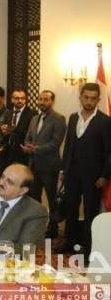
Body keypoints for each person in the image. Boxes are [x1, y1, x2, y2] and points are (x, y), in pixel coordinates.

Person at [57, 83, 110, 255]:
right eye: (86, 97)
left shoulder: (104, 121)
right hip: (72, 173)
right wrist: (63, 170)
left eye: (93, 98)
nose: (89, 101)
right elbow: (68, 146)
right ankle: (70, 242)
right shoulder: (73, 117)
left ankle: (88, 249)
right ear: (80, 97)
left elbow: (109, 152)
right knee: (71, 209)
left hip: (93, 177)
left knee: (90, 212)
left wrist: (104, 176)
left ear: (98, 100)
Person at [21, 90, 66, 238]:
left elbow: (55, 142)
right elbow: (28, 137)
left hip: (50, 165)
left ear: (52, 101)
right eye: (40, 99)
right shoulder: (34, 118)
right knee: (34, 197)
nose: (42, 102)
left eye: (45, 99)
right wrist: (27, 146)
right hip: (33, 164)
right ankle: (36, 225)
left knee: (52, 199)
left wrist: (36, 149)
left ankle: (53, 228)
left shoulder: (59, 119)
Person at [0, 89, 35, 169]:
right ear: (12, 99)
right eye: (17, 98)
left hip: (22, 152)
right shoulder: (8, 112)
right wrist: (3, 131)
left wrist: (13, 129)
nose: (20, 100)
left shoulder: (32, 114)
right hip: (7, 152)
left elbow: (31, 133)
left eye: (22, 98)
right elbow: (5, 131)